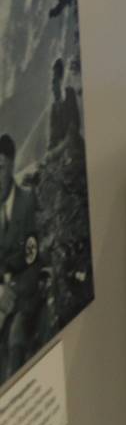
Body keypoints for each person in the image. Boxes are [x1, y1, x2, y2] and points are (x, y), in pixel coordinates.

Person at [0, 136, 41, 377]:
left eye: (1, 168)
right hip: (2, 295)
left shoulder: (26, 202)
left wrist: (12, 292)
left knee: (15, 335)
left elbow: (33, 262)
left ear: (12, 166)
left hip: (24, 293)